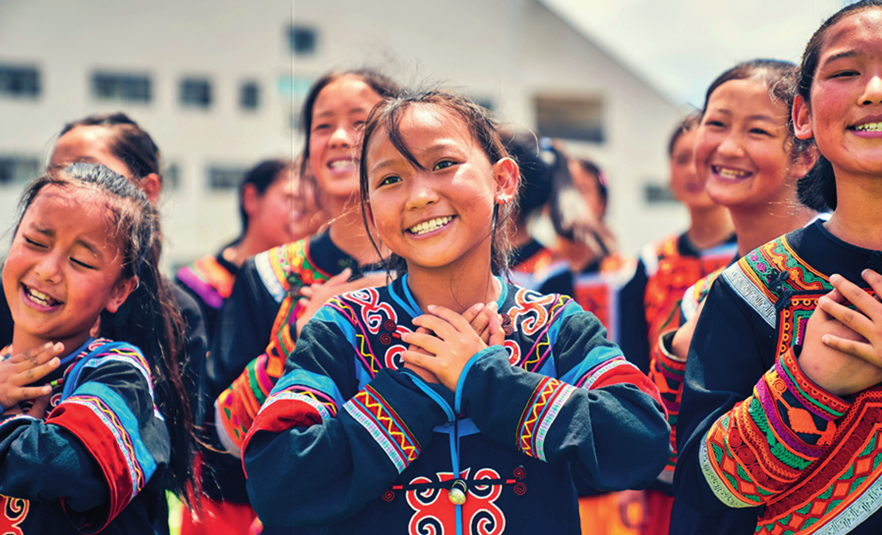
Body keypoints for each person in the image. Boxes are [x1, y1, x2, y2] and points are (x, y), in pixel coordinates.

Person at [240, 89, 670, 533]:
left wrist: (485, 380)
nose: (420, 195)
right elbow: (277, 485)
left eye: (444, 164)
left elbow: (642, 442)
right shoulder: (342, 328)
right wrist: (413, 390)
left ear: (502, 180)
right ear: (371, 212)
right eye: (390, 180)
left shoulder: (558, 325)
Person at [671, 8, 882, 531]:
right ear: (803, 116)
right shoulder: (751, 288)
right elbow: (703, 490)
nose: (874, 89)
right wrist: (809, 384)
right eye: (845, 71)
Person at [203, 69, 397, 533]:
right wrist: (298, 336)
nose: (339, 138)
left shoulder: (433, 268)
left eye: (359, 121)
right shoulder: (267, 276)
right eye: (322, 125)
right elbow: (218, 435)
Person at [0, 163, 193, 534]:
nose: (48, 270)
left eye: (81, 261)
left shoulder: (118, 373)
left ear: (119, 291)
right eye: (36, 242)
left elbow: (59, 468)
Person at [614, 114, 737, 534]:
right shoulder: (649, 264)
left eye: (701, 157)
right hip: (662, 447)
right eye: (681, 158)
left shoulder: (757, 260)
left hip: (734, 439)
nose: (692, 169)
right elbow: (628, 364)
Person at [176, 157, 328, 341]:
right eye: (292, 199)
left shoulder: (311, 287)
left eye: (311, 207)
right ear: (251, 198)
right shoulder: (195, 284)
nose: (303, 215)